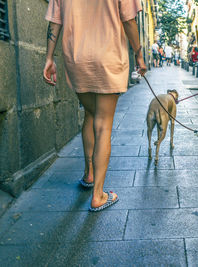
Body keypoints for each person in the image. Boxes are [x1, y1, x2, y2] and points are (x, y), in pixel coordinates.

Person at [43, 0, 147, 211]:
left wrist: (48, 57)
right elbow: (129, 20)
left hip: (77, 57)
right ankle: (98, 195)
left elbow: (55, 22)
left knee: (90, 114)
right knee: (103, 124)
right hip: (108, 57)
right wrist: (139, 53)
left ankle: (89, 174)